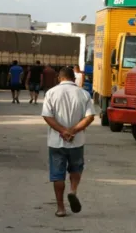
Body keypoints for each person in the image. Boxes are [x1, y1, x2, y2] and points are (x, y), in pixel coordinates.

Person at [41, 67, 96, 217]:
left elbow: (47, 116)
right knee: (76, 169)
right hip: (76, 141)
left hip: (56, 142)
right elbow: (90, 117)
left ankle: (60, 208)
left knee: (57, 175)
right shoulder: (83, 94)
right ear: (74, 78)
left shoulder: (51, 93)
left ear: (60, 78)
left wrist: (62, 131)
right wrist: (73, 131)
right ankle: (73, 190)